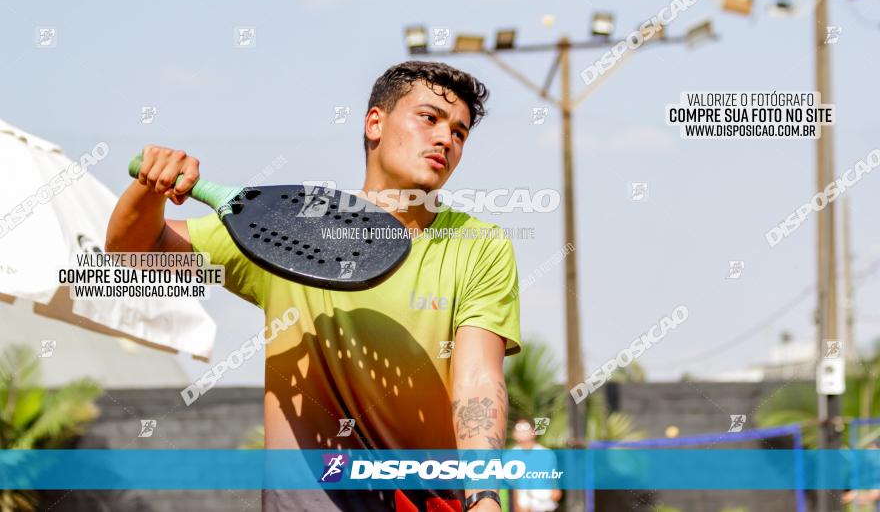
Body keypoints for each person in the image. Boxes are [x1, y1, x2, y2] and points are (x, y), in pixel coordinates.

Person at [106, 61, 522, 511]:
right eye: (429, 118)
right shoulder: (288, 227)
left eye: (460, 133)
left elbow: (479, 377)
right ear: (375, 123)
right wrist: (150, 188)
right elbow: (133, 253)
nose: (445, 138)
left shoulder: (478, 245)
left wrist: (484, 495)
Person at [509, 419, 562, 512]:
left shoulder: (547, 454)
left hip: (546, 505)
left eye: (526, 427)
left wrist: (554, 494)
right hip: (522, 506)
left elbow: (555, 484)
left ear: (534, 432)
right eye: (519, 428)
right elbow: (511, 486)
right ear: (513, 433)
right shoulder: (509, 456)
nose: (522, 431)